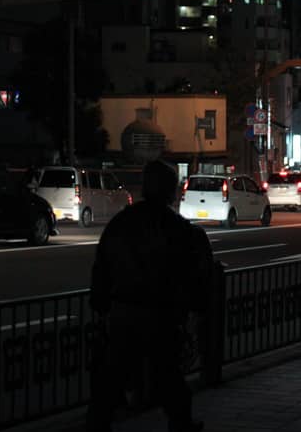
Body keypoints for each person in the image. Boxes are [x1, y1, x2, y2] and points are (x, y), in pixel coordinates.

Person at [86, 159, 210, 432]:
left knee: (113, 376)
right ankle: (181, 424)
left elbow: (102, 266)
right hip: (159, 314)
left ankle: (98, 423)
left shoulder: (122, 223)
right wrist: (192, 306)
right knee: (167, 375)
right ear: (169, 190)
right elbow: (190, 274)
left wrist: (101, 302)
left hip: (123, 312)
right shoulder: (176, 228)